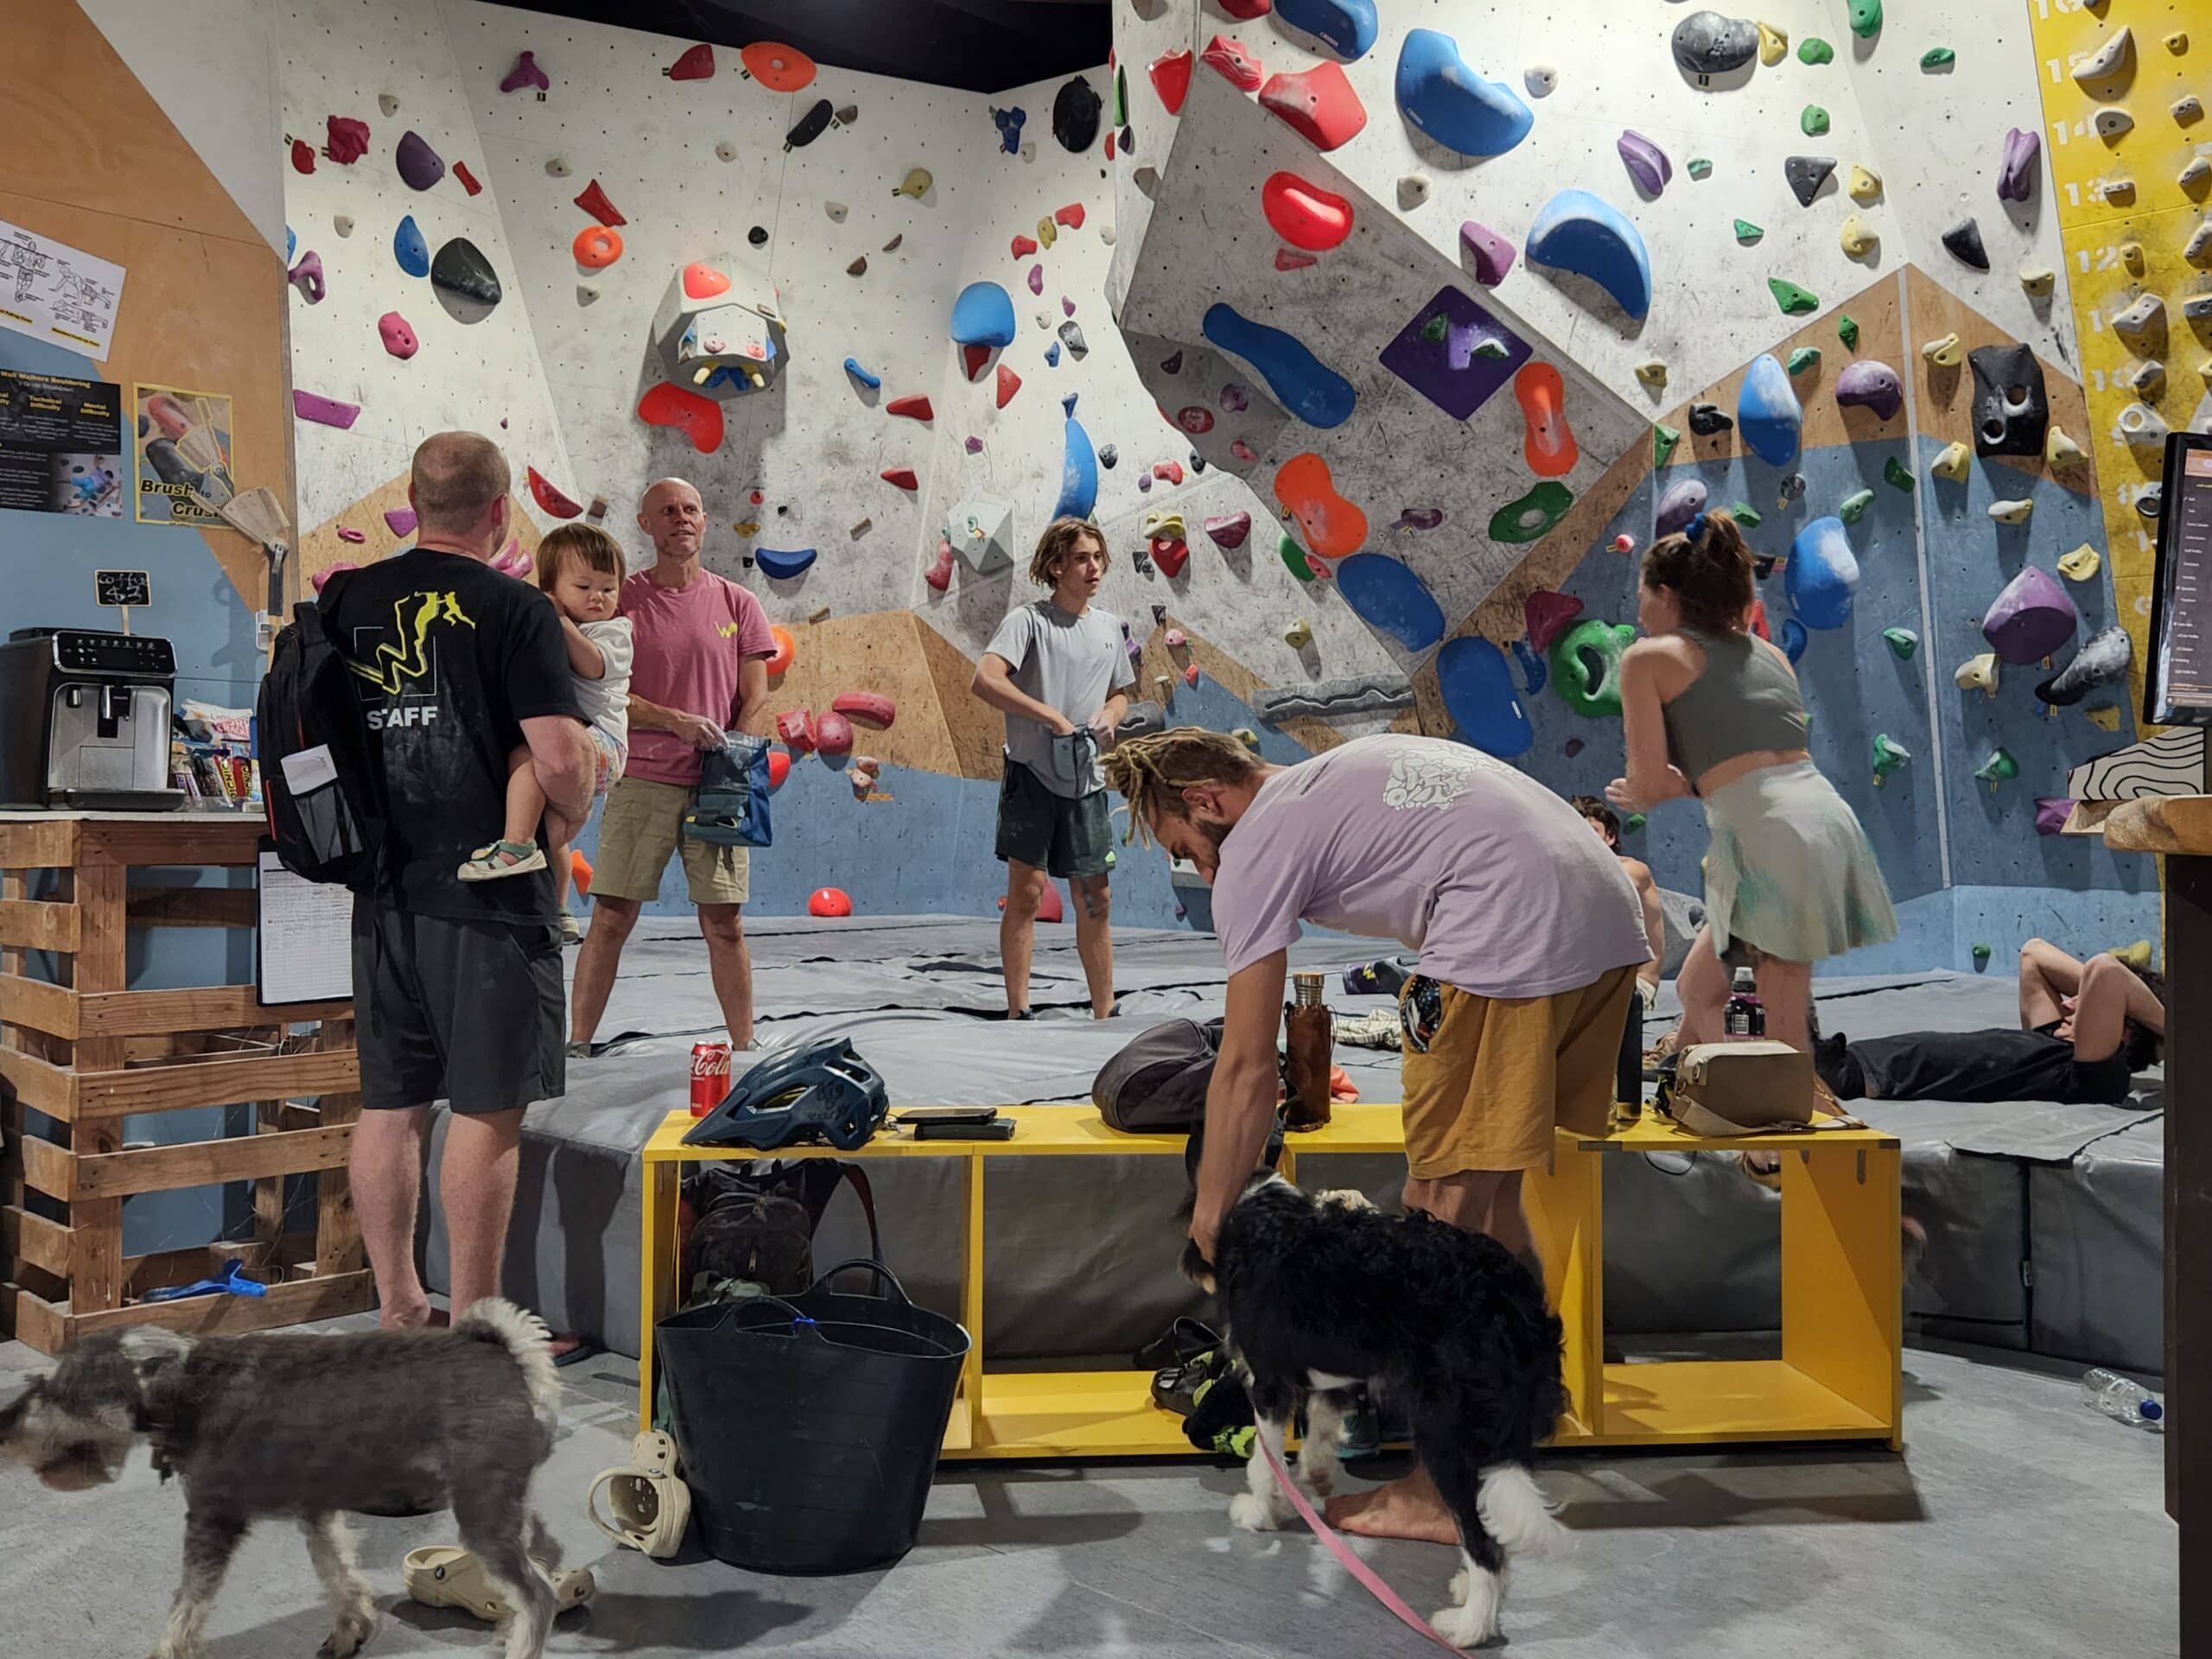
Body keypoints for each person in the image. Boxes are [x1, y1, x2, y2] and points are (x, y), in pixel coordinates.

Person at [1103, 728, 1649, 1541]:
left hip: (1509, 920)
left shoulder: (1253, 849)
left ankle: (1438, 1493)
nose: (1202, 871)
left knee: (1438, 1210)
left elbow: (1249, 1067)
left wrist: (1211, 1213)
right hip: (1607, 920)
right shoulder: (1324, 782)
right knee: (1491, 1194)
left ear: (1206, 802)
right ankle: (1523, 1405)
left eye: (1188, 850)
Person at [324, 431, 594, 1328]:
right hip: (487, 892)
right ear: (499, 511)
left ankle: (401, 1303)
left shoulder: (348, 598)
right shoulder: (513, 607)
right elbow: (556, 752)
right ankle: (477, 1325)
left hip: (383, 889)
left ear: (411, 500)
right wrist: (581, 792)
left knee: (390, 1102)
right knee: (485, 1107)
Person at [1607, 510, 1895, 1071]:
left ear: (1667, 595)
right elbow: (1748, 769)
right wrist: (1681, 786)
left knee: (1768, 1017)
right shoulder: (1771, 654)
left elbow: (1647, 782)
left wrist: (1646, 792)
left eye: (1642, 595)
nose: (1639, 611)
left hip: (1768, 841)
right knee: (1703, 990)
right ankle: (1739, 1096)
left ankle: (1766, 1126)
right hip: (1823, 825)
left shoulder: (1648, 659)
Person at [569, 477, 774, 1054]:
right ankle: (578, 1043)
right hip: (643, 780)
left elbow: (755, 696)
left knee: (725, 924)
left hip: (719, 787)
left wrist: (736, 760)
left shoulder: (739, 603)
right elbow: (603, 694)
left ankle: (744, 1044)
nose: (681, 518)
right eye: (667, 510)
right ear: (645, 524)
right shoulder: (621, 602)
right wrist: (675, 721)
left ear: (704, 520)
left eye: (690, 508)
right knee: (611, 916)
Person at [970, 517, 1134, 1020]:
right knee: (1027, 891)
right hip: (1032, 773)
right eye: (1083, 558)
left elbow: (1121, 692)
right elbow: (985, 679)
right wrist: (1048, 715)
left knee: (1095, 900)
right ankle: (1019, 1010)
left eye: (1099, 558)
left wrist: (1110, 715)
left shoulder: (1108, 628)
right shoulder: (1028, 621)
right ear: (1057, 564)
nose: (1094, 568)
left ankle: (1105, 1013)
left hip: (1086, 779)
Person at [455, 524, 633, 938]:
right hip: (579, 740)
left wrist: (558, 621)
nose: (598, 598)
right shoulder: (551, 623)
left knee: (526, 754)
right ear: (552, 587)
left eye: (609, 589)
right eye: (585, 586)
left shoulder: (614, 631)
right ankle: (557, 909)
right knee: (553, 833)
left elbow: (592, 666)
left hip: (602, 745)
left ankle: (515, 843)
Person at [1819, 938, 2165, 1105]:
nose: (2074, 1000)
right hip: (1850, 1060)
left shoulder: (2091, 1078)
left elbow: (2103, 970)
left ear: (2125, 1032)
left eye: (2088, 999)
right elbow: (2034, 954)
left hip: (1850, 1080)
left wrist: (2181, 1030)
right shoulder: (2053, 1039)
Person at [1571, 795, 1665, 1012]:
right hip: (1583, 982)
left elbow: (1606, 885)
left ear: (1610, 837)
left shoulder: (1633, 870)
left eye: (1590, 832)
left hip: (1633, 985)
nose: (1581, 840)